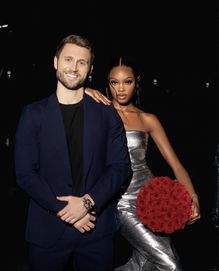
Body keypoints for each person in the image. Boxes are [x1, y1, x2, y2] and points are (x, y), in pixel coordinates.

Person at [14, 35, 132, 271]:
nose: (74, 67)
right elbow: (26, 174)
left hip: (96, 232)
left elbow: (120, 168)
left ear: (90, 69)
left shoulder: (106, 114)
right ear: (56, 62)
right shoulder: (33, 114)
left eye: (82, 62)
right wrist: (67, 210)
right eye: (68, 59)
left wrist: (88, 203)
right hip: (47, 233)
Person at [86, 56, 201, 270]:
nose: (120, 89)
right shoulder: (99, 112)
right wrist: (81, 91)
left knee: (142, 262)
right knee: (171, 265)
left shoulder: (148, 119)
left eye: (127, 82)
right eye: (114, 82)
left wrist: (192, 196)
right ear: (107, 83)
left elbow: (175, 165)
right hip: (120, 201)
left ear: (136, 82)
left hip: (152, 199)